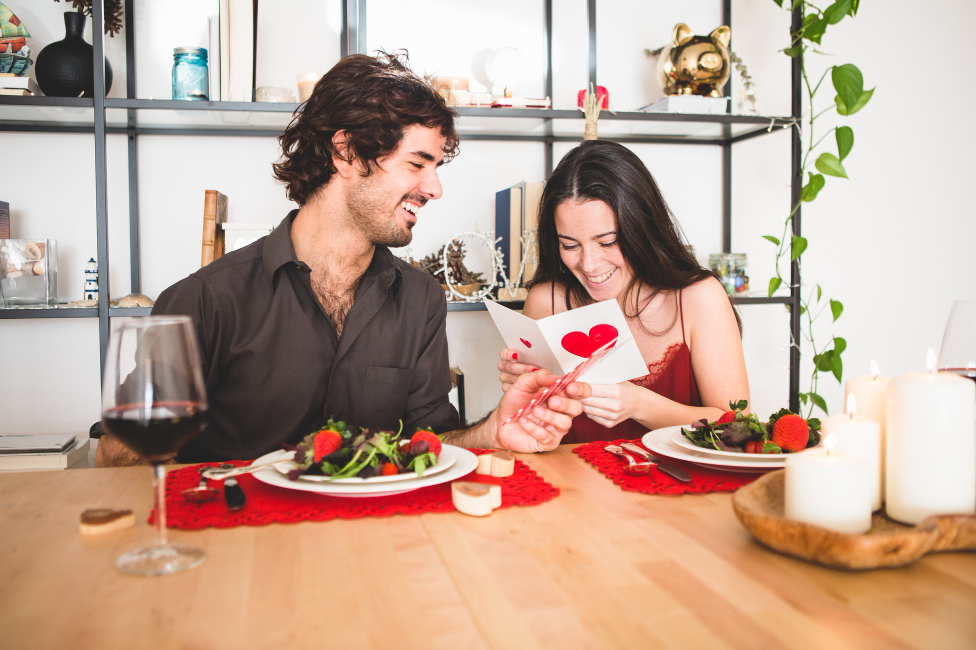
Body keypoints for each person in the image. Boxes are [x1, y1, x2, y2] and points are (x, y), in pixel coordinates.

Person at [96, 51, 588, 467]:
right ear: (346, 153)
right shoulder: (206, 300)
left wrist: (493, 432)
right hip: (244, 558)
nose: (435, 188)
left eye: (436, 168)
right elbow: (118, 452)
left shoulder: (421, 300)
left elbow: (431, 445)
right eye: (418, 163)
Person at [497, 139, 749, 443]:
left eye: (607, 242)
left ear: (642, 227)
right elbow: (528, 433)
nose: (589, 264)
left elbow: (740, 427)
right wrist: (526, 393)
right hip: (576, 487)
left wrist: (640, 405)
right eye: (569, 245)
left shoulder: (699, 298)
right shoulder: (545, 301)